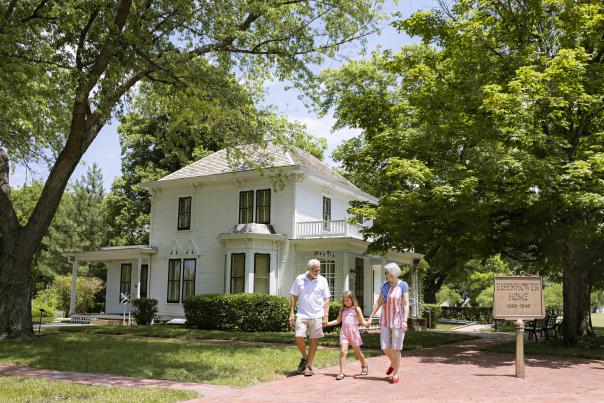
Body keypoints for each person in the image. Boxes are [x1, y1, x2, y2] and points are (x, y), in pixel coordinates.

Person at [367, 262, 409, 384]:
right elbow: (378, 303)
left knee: (396, 348)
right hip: (385, 319)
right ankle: (394, 363)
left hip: (398, 319)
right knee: (385, 347)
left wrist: (405, 320)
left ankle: (395, 374)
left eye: (387, 273)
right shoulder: (384, 286)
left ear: (393, 273)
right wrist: (370, 317)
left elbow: (406, 304)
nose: (386, 275)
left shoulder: (403, 285)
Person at [289, 259, 331, 376]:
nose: (317, 272)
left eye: (319, 270)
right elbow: (294, 296)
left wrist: (325, 315)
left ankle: (309, 366)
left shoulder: (323, 280)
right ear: (309, 269)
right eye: (315, 270)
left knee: (314, 339)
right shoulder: (299, 279)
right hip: (302, 314)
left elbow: (327, 299)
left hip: (317, 315)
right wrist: (292, 313)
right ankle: (305, 357)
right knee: (299, 336)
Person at [325, 290, 369, 380]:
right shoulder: (343, 310)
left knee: (358, 352)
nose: (346, 302)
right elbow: (338, 321)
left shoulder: (357, 309)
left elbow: (362, 320)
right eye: (344, 301)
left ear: (352, 300)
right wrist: (327, 323)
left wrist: (366, 323)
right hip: (344, 333)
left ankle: (364, 365)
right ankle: (341, 373)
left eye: (348, 300)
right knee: (342, 352)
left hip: (354, 333)